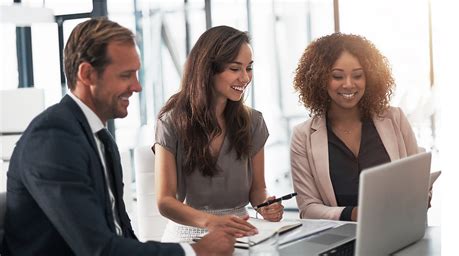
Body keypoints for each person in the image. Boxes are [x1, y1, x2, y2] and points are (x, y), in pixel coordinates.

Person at [2, 18, 234, 256]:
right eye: (126, 75)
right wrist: (194, 252)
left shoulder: (101, 139)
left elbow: (121, 234)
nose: (137, 86)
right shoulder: (52, 140)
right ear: (88, 74)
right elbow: (99, 250)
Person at [154, 25, 284, 242]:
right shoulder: (170, 122)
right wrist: (210, 222)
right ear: (208, 69)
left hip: (240, 232)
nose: (245, 78)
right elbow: (165, 201)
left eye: (249, 68)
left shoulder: (253, 122)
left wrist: (265, 206)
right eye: (235, 69)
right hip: (189, 233)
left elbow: (258, 190)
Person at [290, 33, 421, 221]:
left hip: (397, 229)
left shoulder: (395, 119)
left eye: (358, 75)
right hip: (340, 240)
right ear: (320, 79)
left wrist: (423, 197)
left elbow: (418, 178)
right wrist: (352, 214)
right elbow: (308, 208)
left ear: (369, 77)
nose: (349, 84)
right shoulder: (303, 135)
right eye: (337, 76)